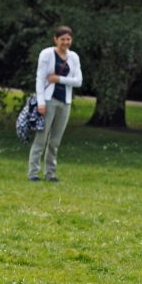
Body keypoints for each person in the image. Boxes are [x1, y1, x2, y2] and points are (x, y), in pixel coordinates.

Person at [28, 25, 83, 182]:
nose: (65, 42)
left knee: (55, 141)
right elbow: (40, 78)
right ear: (55, 39)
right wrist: (40, 102)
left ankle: (50, 174)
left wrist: (59, 79)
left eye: (68, 39)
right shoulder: (46, 54)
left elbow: (78, 81)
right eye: (62, 39)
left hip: (65, 102)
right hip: (48, 100)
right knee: (41, 138)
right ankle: (33, 173)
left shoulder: (74, 57)